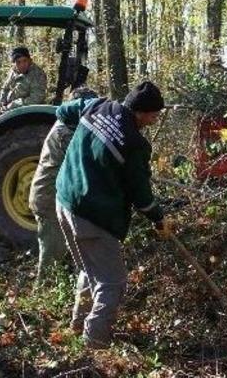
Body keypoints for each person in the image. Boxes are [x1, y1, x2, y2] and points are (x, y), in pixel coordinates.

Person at [55, 81, 172, 349]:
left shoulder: (96, 106)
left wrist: (85, 142)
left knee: (89, 268)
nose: (154, 120)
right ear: (140, 112)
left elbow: (62, 111)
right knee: (113, 282)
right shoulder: (135, 144)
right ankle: (94, 343)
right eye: (154, 115)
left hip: (64, 201)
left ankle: (77, 325)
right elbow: (140, 194)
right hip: (91, 216)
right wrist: (158, 218)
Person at [28, 87, 99, 279]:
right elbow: (84, 161)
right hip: (49, 198)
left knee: (65, 252)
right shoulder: (64, 131)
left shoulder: (70, 127)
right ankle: (42, 299)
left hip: (57, 198)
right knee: (52, 256)